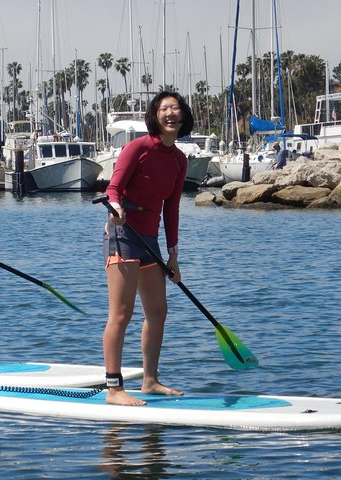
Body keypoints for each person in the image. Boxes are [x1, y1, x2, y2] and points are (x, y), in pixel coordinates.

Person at [102, 91, 194, 406]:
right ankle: (114, 390)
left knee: (158, 312)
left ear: (183, 117)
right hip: (123, 234)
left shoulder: (180, 160)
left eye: (176, 109)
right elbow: (112, 188)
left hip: (150, 241)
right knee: (122, 314)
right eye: (165, 108)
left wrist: (173, 255)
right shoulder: (137, 148)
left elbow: (172, 209)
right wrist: (115, 208)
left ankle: (149, 381)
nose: (171, 113)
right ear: (155, 115)